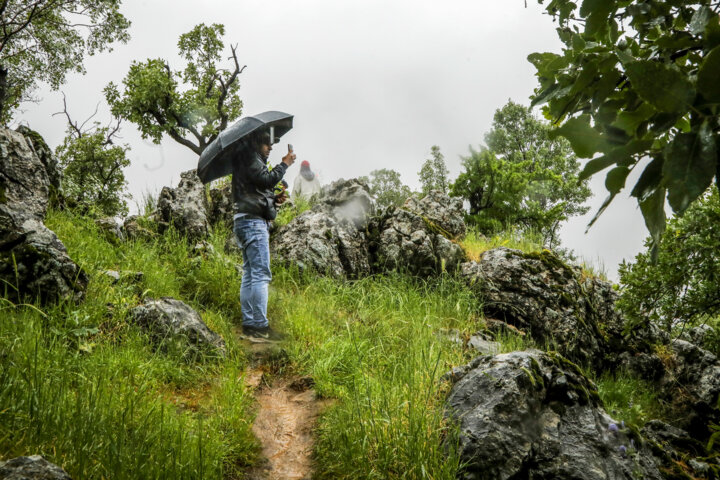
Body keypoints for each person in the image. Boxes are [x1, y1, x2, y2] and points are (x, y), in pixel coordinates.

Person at [231, 131, 295, 339]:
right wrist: (284, 164)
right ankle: (259, 326)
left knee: (250, 273)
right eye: (267, 144)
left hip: (243, 220)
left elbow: (256, 190)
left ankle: (250, 323)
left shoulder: (247, 160)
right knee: (260, 274)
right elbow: (266, 179)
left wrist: (273, 200)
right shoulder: (251, 158)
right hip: (252, 223)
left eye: (271, 144)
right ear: (257, 143)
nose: (270, 148)